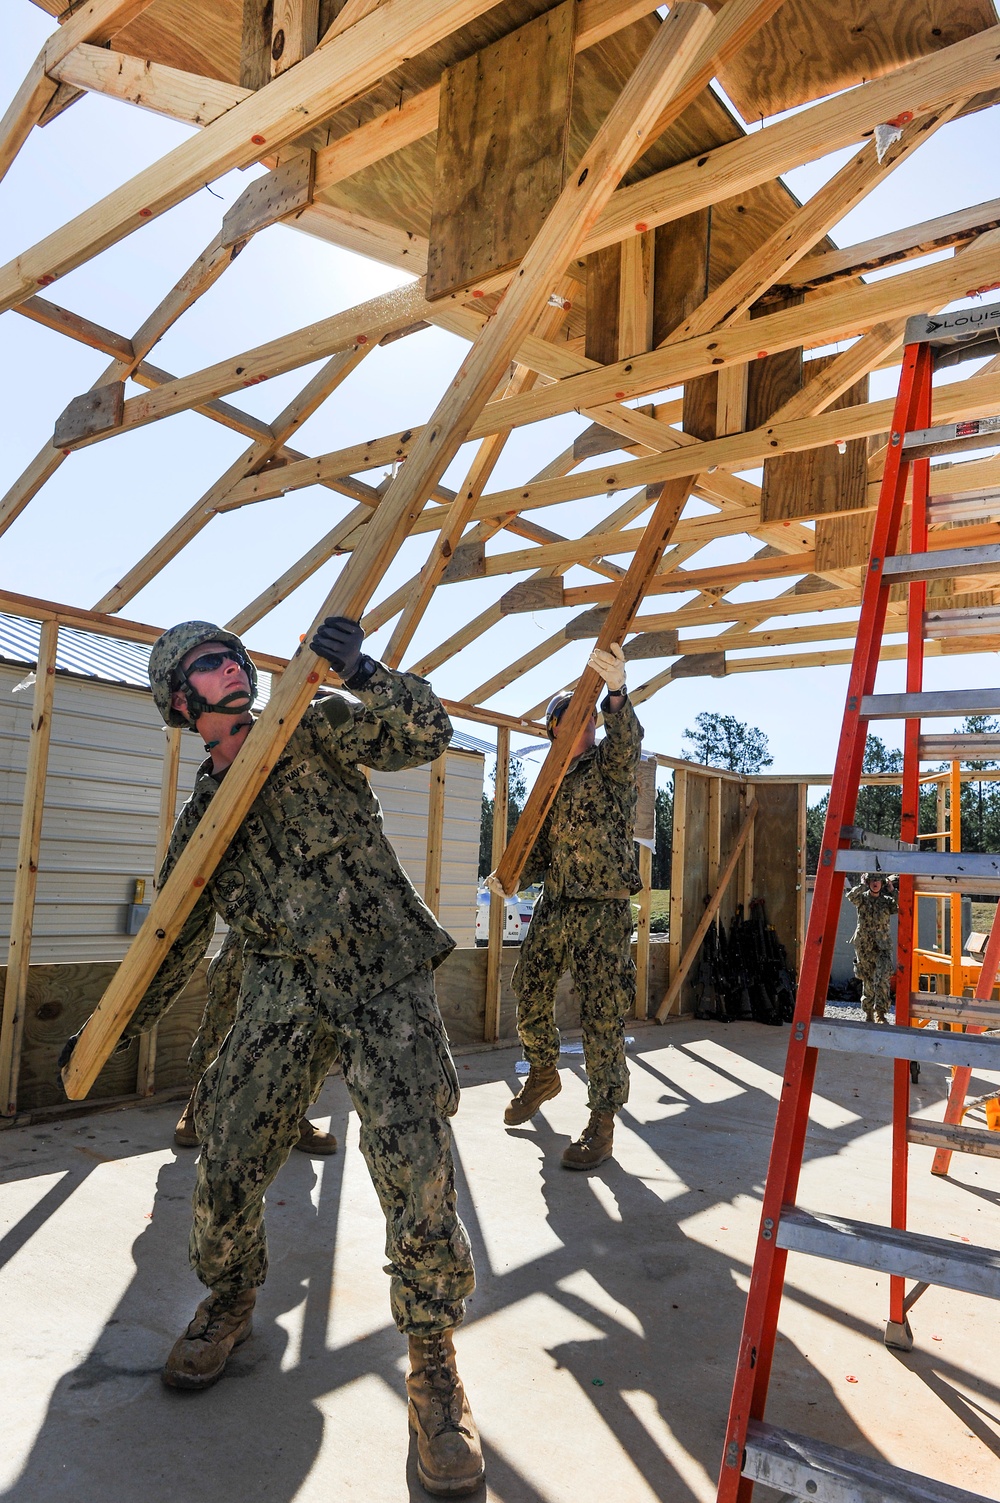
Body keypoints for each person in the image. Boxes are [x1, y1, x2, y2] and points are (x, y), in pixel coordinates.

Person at [59, 619, 482, 1498]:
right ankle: (230, 1299)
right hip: (281, 990)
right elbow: (167, 944)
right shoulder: (202, 819)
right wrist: (104, 1033)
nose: (234, 667)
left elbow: (425, 730)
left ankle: (433, 1368)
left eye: (235, 655)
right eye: (210, 664)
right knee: (225, 1156)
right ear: (182, 701)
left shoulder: (315, 728)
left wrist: (360, 669)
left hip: (381, 969)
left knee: (416, 1164)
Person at [487, 643, 642, 1170]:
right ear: (555, 728)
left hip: (603, 909)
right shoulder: (549, 784)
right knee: (526, 985)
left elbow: (627, 742)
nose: (589, 727)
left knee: (602, 1014)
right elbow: (539, 848)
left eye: (590, 718)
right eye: (575, 719)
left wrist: (618, 695)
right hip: (557, 904)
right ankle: (544, 1073)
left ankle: (602, 1123)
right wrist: (509, 879)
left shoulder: (610, 767)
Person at [172, 929, 338, 1156]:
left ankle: (291, 1115)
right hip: (253, 924)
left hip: (309, 929)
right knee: (223, 1009)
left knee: (305, 1025)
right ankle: (198, 1105)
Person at [847, 871, 898, 1023]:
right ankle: (868, 1012)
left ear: (882, 884)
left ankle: (881, 1013)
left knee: (883, 978)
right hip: (864, 946)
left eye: (878, 881)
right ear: (868, 882)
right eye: (872, 880)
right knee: (868, 979)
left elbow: (904, 904)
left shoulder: (887, 901)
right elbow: (850, 896)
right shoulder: (862, 899)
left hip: (882, 946)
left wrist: (892, 890)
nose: (875, 883)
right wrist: (861, 886)